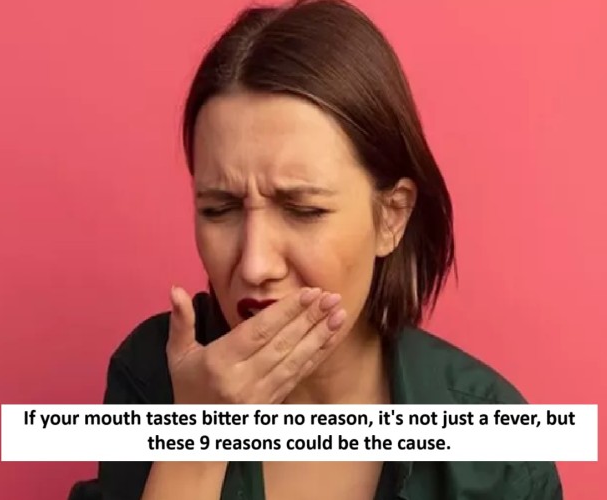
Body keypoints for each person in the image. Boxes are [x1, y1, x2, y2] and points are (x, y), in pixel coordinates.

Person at [69, 0, 563, 498]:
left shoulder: (497, 455)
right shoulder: (151, 379)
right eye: (219, 209)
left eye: (303, 210)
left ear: (391, 216)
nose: (255, 265)